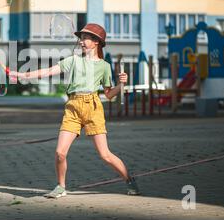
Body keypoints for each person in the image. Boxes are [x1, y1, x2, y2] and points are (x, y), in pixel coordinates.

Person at [10, 23, 140, 198]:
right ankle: (61, 187)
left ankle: (129, 180)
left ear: (96, 42)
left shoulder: (104, 66)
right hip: (72, 108)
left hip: (93, 108)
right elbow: (48, 71)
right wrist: (22, 75)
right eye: (81, 38)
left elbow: (109, 95)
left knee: (105, 155)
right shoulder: (73, 60)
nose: (81, 41)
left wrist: (122, 84)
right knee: (59, 152)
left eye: (85, 38)